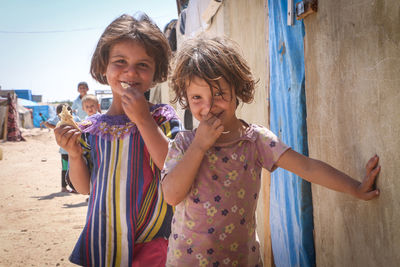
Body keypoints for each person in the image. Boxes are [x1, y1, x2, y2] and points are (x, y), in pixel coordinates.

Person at [161, 36, 381, 266]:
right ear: (185, 98)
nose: (208, 107)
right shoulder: (184, 144)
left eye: (219, 94)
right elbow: (172, 195)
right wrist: (199, 146)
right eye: (197, 97)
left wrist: (355, 188)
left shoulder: (255, 141)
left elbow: (307, 167)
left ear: (236, 90)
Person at [54, 13, 181, 266]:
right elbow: (84, 188)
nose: (130, 72)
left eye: (143, 64)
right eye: (120, 61)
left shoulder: (161, 117)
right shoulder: (90, 128)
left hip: (152, 241)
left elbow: (173, 166)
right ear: (103, 66)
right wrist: (75, 154)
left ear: (156, 72)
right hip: (102, 243)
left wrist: (143, 120)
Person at [44, 104, 79, 193]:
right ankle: (64, 187)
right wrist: (57, 128)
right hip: (64, 150)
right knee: (65, 169)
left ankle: (74, 187)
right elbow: (47, 123)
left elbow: (80, 126)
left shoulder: (75, 118)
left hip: (74, 148)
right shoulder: (57, 119)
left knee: (74, 169)